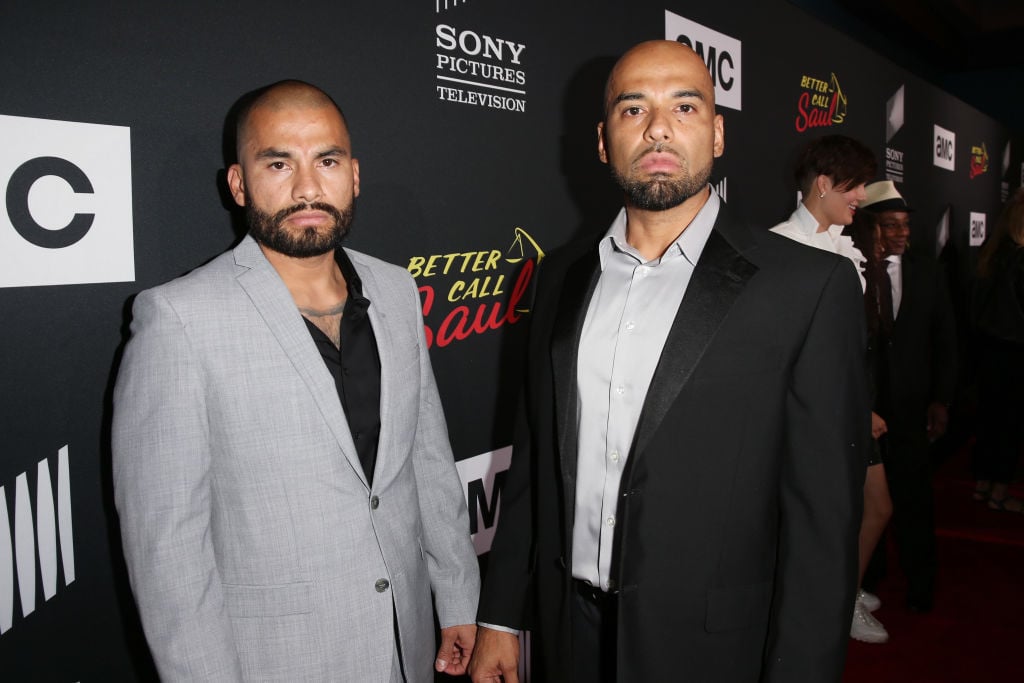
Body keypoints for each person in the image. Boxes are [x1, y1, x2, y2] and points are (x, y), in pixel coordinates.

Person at [468, 40, 868, 682]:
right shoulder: (559, 276)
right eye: (633, 109)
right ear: (603, 141)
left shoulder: (809, 287)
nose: (657, 127)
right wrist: (501, 618)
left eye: (685, 106)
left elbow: (822, 528)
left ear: (717, 133)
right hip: (568, 632)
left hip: (712, 651)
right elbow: (535, 462)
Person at [112, 80, 479, 682]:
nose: (308, 187)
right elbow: (168, 556)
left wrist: (459, 596)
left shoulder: (395, 290)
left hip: (407, 644)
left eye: (327, 161)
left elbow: (427, 460)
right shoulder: (177, 319)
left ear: (354, 175)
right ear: (238, 183)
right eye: (278, 162)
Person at [770, 135, 892, 644]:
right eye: (855, 184)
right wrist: (852, 409)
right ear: (824, 184)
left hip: (847, 408)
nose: (862, 196)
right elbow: (782, 354)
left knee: (871, 507)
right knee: (840, 514)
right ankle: (833, 601)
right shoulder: (779, 247)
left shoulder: (844, 245)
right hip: (812, 420)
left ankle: (843, 589)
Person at [859, 180, 956, 614]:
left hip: (913, 407)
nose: (901, 233)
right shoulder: (850, 267)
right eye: (890, 225)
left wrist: (942, 399)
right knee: (866, 501)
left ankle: (922, 582)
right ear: (870, 226)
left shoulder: (928, 270)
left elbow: (946, 340)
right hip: (864, 410)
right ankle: (870, 576)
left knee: (915, 498)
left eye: (905, 225)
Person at [970, 188, 1024, 512]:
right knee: (1010, 423)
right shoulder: (1019, 259)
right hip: (1016, 354)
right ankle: (999, 492)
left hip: (988, 353)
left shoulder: (990, 254)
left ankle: (981, 486)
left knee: (989, 420)